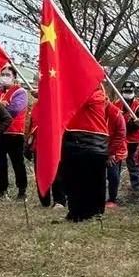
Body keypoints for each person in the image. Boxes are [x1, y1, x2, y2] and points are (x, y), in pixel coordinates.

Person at [61, 85, 112, 222]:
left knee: (92, 180)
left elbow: (78, 99)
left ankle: (94, 212)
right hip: (73, 139)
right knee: (73, 179)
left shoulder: (97, 94)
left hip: (94, 142)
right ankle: (75, 211)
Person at [0, 66, 29, 200]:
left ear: (14, 77)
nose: (4, 77)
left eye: (8, 74)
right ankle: (2, 189)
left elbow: (14, 110)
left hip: (15, 133)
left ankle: (22, 190)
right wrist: (3, 106)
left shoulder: (20, 92)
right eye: (2, 74)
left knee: (17, 162)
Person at [119, 81, 139, 196]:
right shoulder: (116, 103)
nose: (127, 93)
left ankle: (136, 187)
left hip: (133, 140)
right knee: (116, 162)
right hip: (119, 139)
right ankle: (113, 186)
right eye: (125, 91)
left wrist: (125, 126)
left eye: (130, 91)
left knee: (133, 163)